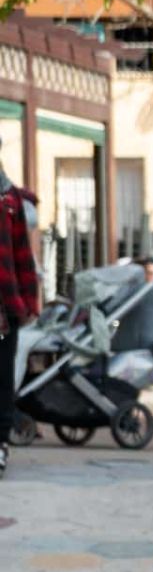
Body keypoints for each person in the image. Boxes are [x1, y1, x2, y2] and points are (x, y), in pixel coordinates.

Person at [0, 154, 39, 479]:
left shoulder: (10, 199)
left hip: (4, 307)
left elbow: (22, 252)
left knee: (1, 377)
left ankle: (0, 444)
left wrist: (29, 303)